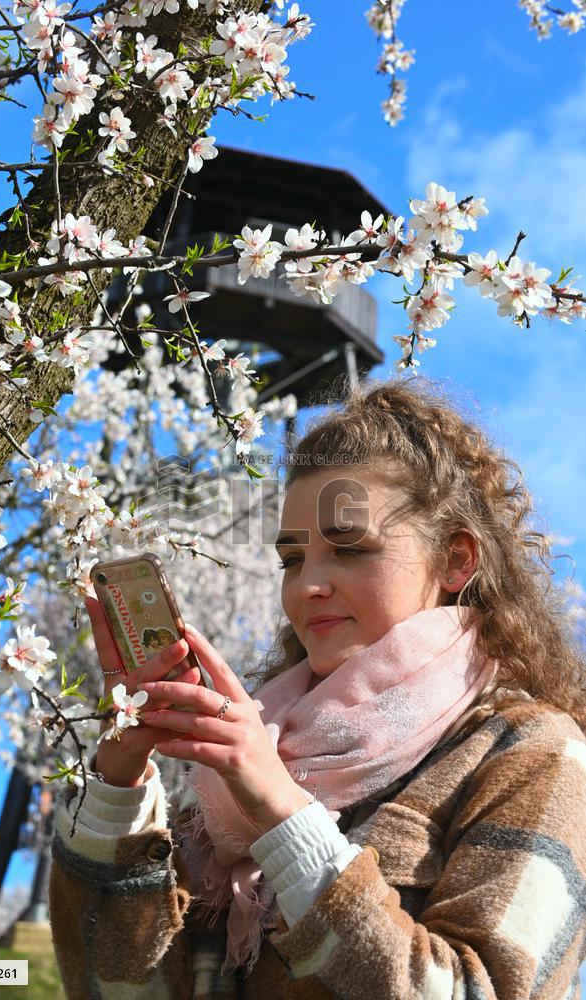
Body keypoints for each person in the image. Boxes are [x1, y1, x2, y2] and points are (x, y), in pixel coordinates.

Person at [49, 378, 586, 999]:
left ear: (456, 561)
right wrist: (119, 784)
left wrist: (285, 813)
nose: (307, 586)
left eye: (350, 549)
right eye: (292, 559)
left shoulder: (537, 752)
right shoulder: (248, 771)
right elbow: (117, 990)